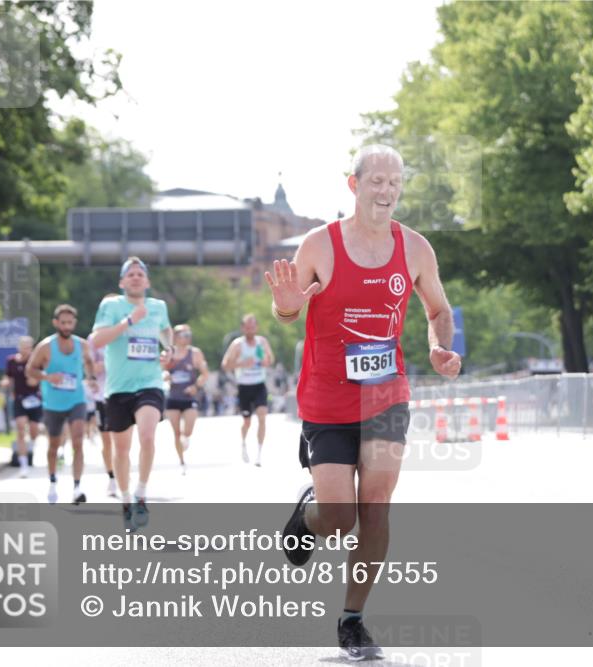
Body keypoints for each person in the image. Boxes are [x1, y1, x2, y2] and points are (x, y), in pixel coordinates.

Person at [267, 144, 462, 660]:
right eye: (376, 181)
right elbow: (288, 308)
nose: (387, 191)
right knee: (339, 518)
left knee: (375, 508)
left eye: (395, 182)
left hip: (386, 394)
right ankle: (310, 515)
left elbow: (438, 309)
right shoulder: (320, 245)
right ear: (353, 186)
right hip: (326, 398)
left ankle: (353, 619)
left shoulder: (416, 249)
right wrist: (287, 308)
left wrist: (441, 345)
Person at [91, 257, 173, 530]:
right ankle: (125, 499)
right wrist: (129, 320)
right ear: (122, 282)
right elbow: (97, 341)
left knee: (147, 435)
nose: (136, 277)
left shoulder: (158, 307)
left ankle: (141, 494)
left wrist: (168, 349)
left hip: (149, 383)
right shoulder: (111, 306)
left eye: (141, 274)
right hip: (118, 388)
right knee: (121, 449)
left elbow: (166, 331)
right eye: (131, 274)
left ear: (147, 281)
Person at [26, 304, 97, 504]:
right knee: (53, 446)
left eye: (70, 322)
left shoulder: (82, 345)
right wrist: (47, 377)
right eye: (63, 323)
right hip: (53, 403)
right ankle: (52, 482)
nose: (67, 326)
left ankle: (77, 487)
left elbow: (89, 362)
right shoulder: (46, 346)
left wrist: (90, 377)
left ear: (74, 323)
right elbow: (30, 370)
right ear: (56, 323)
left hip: (77, 400)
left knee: (77, 440)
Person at [222, 314, 274, 466]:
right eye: (247, 327)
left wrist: (266, 361)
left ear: (256, 327)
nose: (250, 329)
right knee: (247, 422)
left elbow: (271, 359)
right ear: (243, 328)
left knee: (262, 416)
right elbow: (225, 365)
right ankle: (244, 443)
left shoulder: (262, 342)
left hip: (259, 385)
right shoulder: (237, 345)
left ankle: (259, 453)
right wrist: (241, 364)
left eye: (253, 326)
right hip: (244, 386)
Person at [164, 324, 209, 475]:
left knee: (187, 429)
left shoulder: (195, 353)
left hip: (189, 397)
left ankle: (187, 437)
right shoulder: (168, 353)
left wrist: (195, 387)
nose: (187, 337)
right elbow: (160, 371)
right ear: (175, 337)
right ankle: (181, 461)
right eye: (184, 334)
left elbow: (204, 373)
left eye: (189, 334)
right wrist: (166, 378)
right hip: (173, 397)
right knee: (176, 433)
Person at [3, 336, 41, 475]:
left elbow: (34, 382)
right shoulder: (11, 361)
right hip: (19, 399)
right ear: (19, 347)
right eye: (24, 346)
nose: (26, 349)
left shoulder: (35, 361)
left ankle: (31, 445)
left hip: (34, 399)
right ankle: (23, 464)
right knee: (20, 428)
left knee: (33, 430)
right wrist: (6, 382)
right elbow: (8, 376)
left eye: (29, 347)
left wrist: (33, 375)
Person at [88, 326, 118, 498]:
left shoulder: (126, 334)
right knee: (107, 441)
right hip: (101, 396)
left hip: (122, 394)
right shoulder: (94, 339)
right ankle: (112, 477)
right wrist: (92, 372)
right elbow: (87, 365)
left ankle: (122, 472)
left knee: (122, 440)